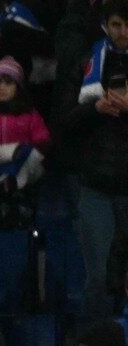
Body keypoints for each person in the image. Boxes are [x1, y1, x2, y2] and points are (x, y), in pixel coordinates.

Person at [64, 5, 128, 322]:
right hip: (96, 187)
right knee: (100, 280)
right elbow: (64, 123)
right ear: (106, 25)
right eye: (117, 24)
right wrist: (96, 109)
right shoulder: (89, 62)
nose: (123, 33)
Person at [0, 57, 51, 231]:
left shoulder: (29, 113)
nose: (2, 87)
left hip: (24, 181)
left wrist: (29, 155)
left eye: (8, 82)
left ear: (18, 86)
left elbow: (43, 140)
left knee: (25, 225)